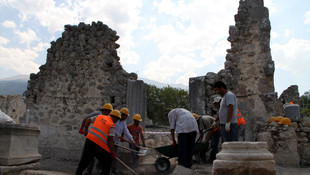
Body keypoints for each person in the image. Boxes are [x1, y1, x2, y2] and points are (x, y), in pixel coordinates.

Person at [76, 110, 122, 175]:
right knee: (107, 162)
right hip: (99, 145)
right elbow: (110, 140)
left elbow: (88, 120)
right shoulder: (111, 125)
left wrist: (86, 131)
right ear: (113, 116)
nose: (117, 120)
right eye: (117, 118)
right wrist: (112, 153)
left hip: (89, 140)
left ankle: (78, 173)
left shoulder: (99, 116)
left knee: (84, 160)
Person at [111, 107, 136, 175]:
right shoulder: (115, 120)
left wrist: (132, 141)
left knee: (114, 156)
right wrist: (119, 136)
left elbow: (127, 132)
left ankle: (114, 170)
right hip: (109, 141)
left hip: (115, 142)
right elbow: (113, 129)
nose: (126, 117)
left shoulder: (123, 123)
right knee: (106, 156)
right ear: (122, 114)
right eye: (126, 116)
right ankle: (99, 169)